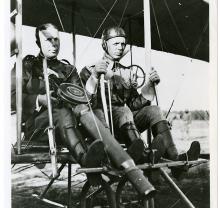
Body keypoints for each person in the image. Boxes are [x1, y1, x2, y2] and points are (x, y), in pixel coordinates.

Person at [12, 23, 156, 197]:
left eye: (56, 39)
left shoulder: (68, 69)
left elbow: (85, 99)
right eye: (47, 40)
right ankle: (89, 164)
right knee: (64, 112)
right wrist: (39, 99)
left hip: (68, 127)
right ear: (38, 42)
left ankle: (124, 164)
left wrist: (95, 77)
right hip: (39, 127)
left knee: (84, 108)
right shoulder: (26, 66)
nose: (53, 43)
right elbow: (9, 97)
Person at [80, 26, 201, 165]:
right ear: (104, 44)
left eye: (122, 44)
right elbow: (85, 102)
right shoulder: (89, 70)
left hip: (125, 124)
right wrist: (95, 76)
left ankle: (175, 158)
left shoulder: (126, 73)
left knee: (154, 110)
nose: (120, 47)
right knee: (123, 110)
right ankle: (142, 155)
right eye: (115, 44)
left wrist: (150, 85)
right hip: (103, 127)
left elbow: (133, 104)